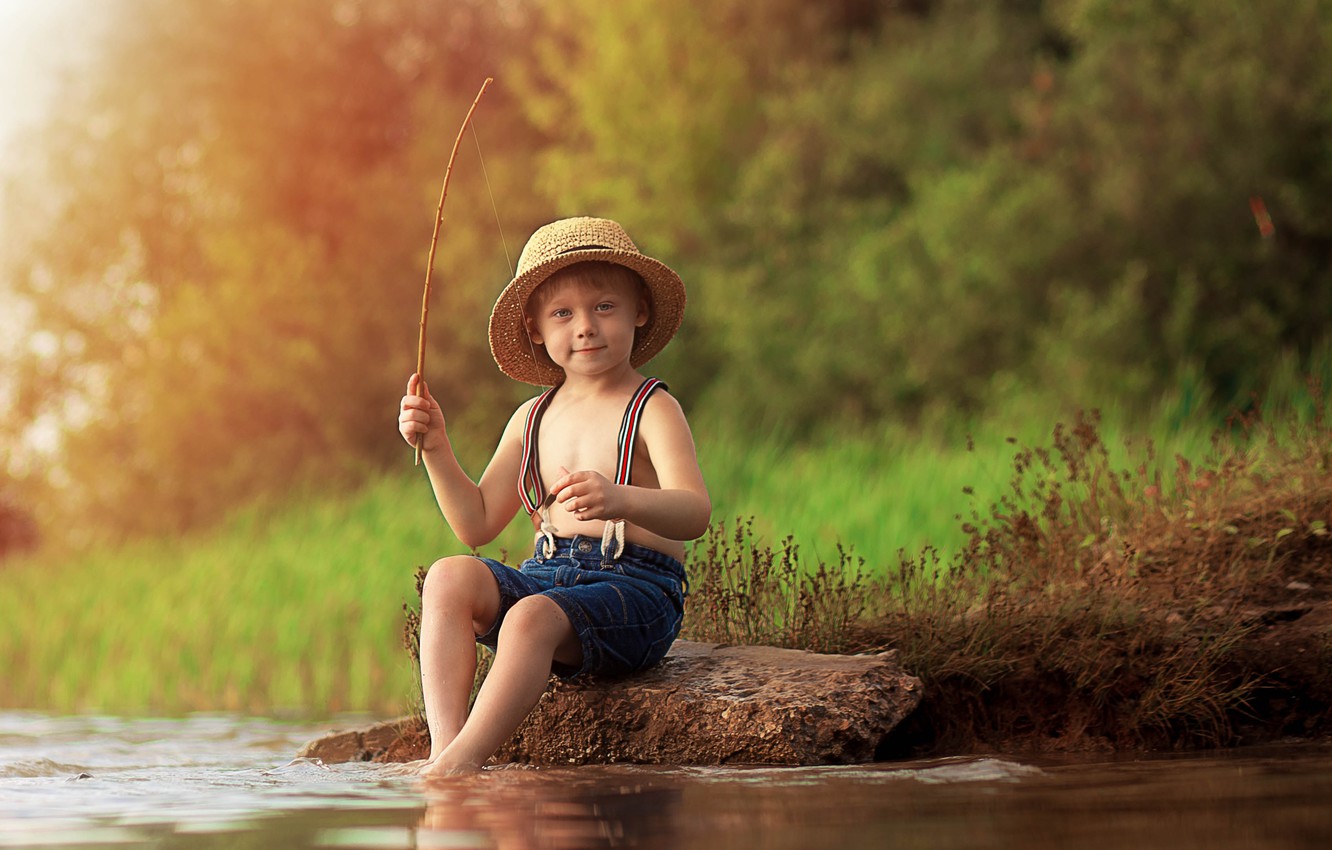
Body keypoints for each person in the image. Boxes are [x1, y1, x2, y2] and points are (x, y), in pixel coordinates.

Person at [398, 216, 711, 776]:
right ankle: (443, 748)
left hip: (635, 588)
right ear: (537, 329)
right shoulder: (531, 417)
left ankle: (462, 765)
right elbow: (476, 523)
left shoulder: (652, 407)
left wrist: (623, 499)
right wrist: (439, 449)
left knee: (528, 619)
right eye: (563, 314)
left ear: (638, 310)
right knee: (448, 576)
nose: (586, 327)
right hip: (548, 575)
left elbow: (695, 511)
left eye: (605, 307)